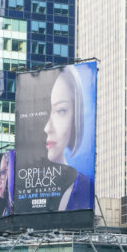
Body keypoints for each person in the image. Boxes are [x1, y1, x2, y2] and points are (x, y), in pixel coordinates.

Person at [44, 64, 95, 211]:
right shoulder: (19, 192)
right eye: (43, 112)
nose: (48, 127)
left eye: (60, 111)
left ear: (75, 117)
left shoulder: (85, 189)